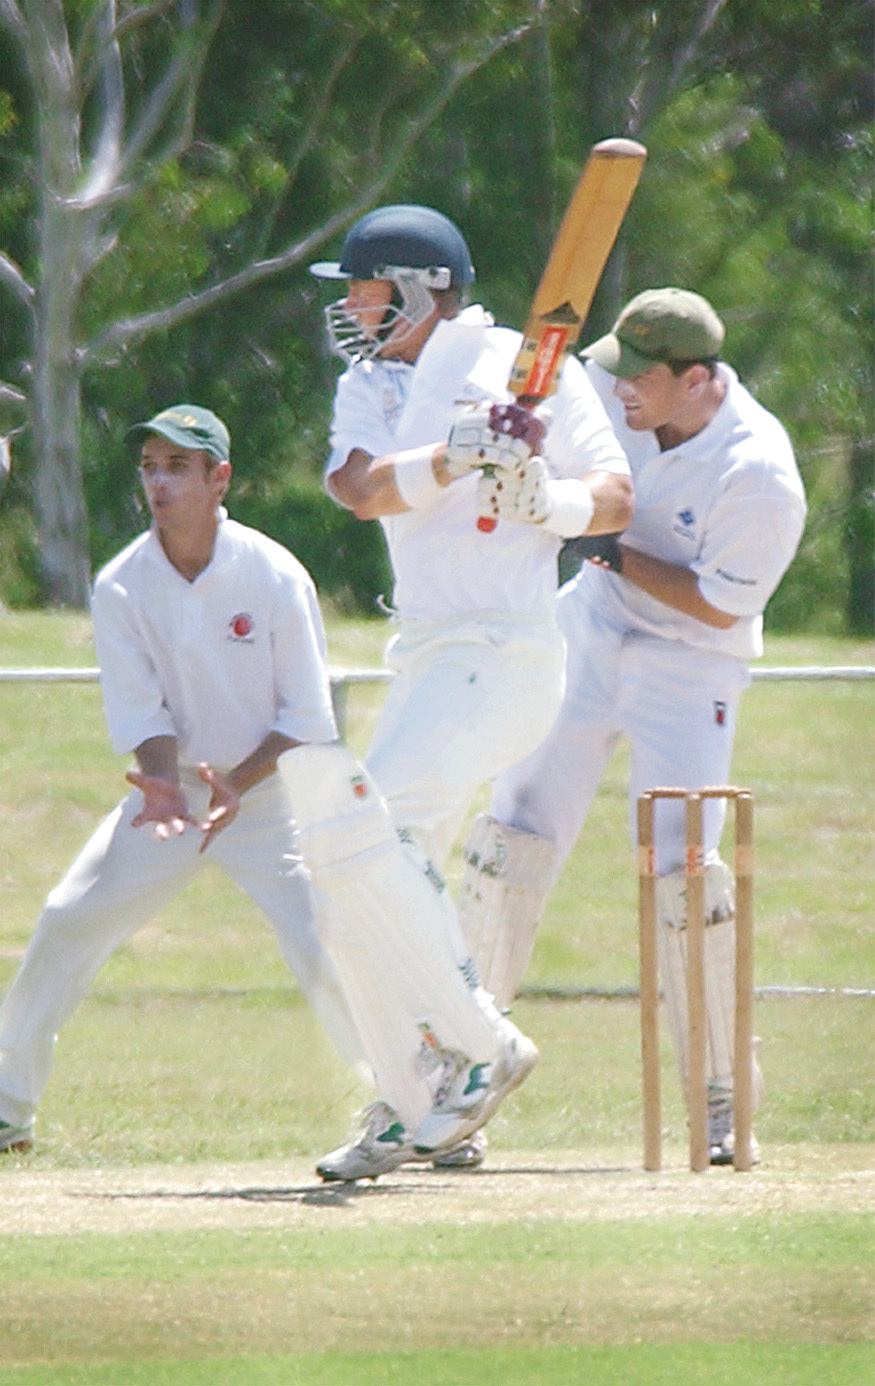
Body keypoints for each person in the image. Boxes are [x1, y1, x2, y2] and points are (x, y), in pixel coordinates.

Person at [0, 404, 532, 1161]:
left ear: (220, 478)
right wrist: (159, 786)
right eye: (150, 466)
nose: (159, 482)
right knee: (66, 918)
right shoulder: (122, 584)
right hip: (175, 799)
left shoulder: (273, 573)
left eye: (178, 467)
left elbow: (308, 717)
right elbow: (142, 711)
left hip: (274, 796)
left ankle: (430, 1112)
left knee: (331, 950)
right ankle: (7, 1107)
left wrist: (238, 786)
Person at [308, 203, 633, 1179]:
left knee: (352, 834)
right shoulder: (370, 385)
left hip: (506, 650)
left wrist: (546, 501)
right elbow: (360, 488)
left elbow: (614, 497)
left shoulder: (533, 367)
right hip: (426, 658)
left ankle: (483, 1049)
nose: (353, 308)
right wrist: (457, 453)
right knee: (351, 887)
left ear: (413, 288)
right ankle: (420, 1099)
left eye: (364, 289)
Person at [460, 288, 807, 1165]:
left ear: (696, 381)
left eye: (641, 380)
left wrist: (606, 546)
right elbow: (553, 441)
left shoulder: (757, 471)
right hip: (594, 626)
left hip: (693, 659)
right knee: (511, 833)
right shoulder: (616, 390)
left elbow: (721, 607)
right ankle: (455, 1073)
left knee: (682, 866)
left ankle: (721, 1098)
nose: (620, 394)